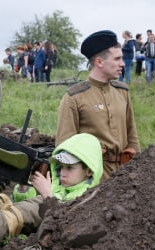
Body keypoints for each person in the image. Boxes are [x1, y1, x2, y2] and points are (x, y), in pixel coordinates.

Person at [55, 30, 140, 180]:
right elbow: (64, 147)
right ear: (99, 62)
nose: (122, 63)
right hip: (93, 178)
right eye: (117, 59)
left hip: (125, 174)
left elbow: (132, 134)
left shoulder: (122, 92)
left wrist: (137, 170)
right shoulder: (74, 98)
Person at [13, 133, 103, 202]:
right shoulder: (58, 188)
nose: (62, 173)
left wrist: (48, 196)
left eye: (69, 167)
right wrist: (23, 188)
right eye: (61, 167)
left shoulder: (90, 199)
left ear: (89, 171)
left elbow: (65, 220)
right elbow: (32, 205)